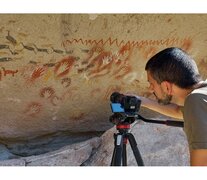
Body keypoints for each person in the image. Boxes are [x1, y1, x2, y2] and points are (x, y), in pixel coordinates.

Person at [138, 47, 207, 166]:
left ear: (166, 87)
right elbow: (179, 111)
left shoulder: (195, 101)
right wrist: (142, 101)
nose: (150, 88)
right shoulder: (201, 97)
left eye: (151, 83)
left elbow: (201, 166)